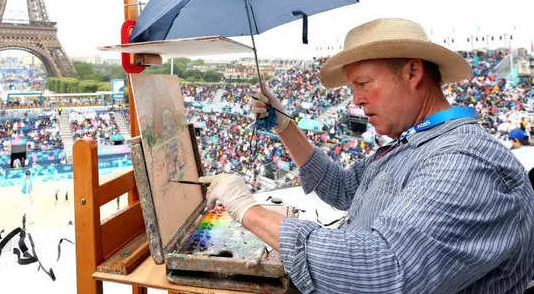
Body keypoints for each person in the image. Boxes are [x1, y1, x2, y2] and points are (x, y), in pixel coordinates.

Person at [201, 18, 534, 293]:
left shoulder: (464, 161)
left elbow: (380, 270)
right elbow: (344, 188)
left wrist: (249, 211)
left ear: (412, 73)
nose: (356, 100)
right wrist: (285, 126)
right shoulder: (413, 142)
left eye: (362, 83)